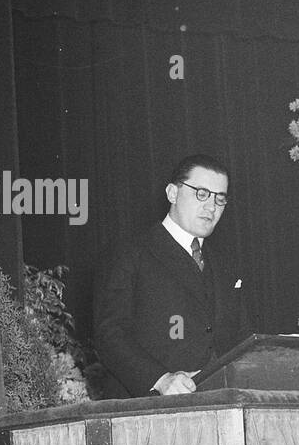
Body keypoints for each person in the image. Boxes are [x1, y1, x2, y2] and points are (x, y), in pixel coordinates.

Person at [95, 154, 248, 397]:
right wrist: (160, 379)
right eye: (201, 193)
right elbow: (109, 334)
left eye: (220, 198)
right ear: (172, 194)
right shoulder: (129, 252)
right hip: (148, 409)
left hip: (220, 404)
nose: (211, 207)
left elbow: (239, 336)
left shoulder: (225, 264)